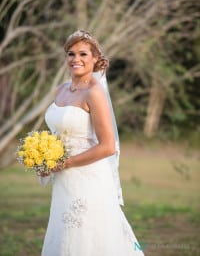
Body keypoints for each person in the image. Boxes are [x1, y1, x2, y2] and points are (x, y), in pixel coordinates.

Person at [40, 30, 145, 256]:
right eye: (71, 53)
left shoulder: (94, 93)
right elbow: (59, 132)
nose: (76, 59)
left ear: (96, 58)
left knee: (84, 237)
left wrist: (67, 163)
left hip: (88, 178)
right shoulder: (60, 90)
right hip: (63, 179)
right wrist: (42, 156)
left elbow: (108, 146)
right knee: (63, 232)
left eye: (83, 54)